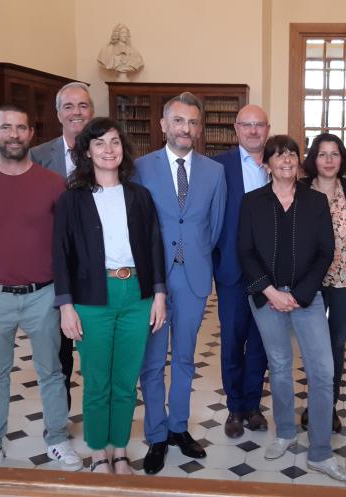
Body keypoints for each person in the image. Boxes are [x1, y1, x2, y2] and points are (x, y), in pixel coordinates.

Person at [0, 105, 82, 470]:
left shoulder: (53, 184)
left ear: (30, 135)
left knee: (52, 372)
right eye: (6, 128)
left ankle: (57, 438)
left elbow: (67, 242)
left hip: (43, 294)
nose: (14, 134)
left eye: (21, 128)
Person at [238, 134, 346, 483]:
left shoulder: (315, 200)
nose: (286, 160)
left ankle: (320, 451)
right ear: (267, 164)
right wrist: (271, 292)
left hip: (308, 297)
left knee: (321, 369)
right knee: (279, 365)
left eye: (291, 154)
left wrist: (301, 295)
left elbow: (325, 251)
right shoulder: (252, 202)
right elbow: (244, 251)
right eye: (278, 155)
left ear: (298, 160)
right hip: (266, 297)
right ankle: (286, 432)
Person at [52, 117, 166, 474]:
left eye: (115, 142)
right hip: (91, 297)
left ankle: (119, 450)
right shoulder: (72, 200)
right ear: (87, 151)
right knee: (98, 379)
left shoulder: (139, 196)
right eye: (99, 143)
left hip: (136, 294)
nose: (108, 150)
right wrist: (66, 306)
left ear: (123, 149)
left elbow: (154, 246)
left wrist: (159, 295)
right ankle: (98, 452)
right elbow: (61, 253)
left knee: (126, 378)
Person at [136, 92, 226, 474]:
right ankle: (156, 435)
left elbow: (215, 227)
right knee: (153, 362)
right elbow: (136, 225)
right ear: (163, 125)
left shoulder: (214, 171)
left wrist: (197, 258)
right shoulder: (140, 167)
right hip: (154, 280)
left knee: (186, 359)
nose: (185, 128)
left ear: (199, 128)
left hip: (193, 279)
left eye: (192, 122)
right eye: (178, 121)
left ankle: (179, 428)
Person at [30, 81, 95, 410]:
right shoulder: (38, 157)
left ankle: (100, 416)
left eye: (82, 105)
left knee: (96, 349)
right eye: (68, 106)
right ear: (58, 114)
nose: (76, 112)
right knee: (57, 350)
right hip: (51, 269)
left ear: (92, 111)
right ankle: (59, 417)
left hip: (96, 268)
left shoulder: (106, 152)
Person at [212, 105, 270, 438]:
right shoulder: (218, 167)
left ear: (267, 128)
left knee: (261, 343)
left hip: (269, 274)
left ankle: (253, 405)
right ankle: (234, 407)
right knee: (233, 341)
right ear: (236, 128)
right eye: (246, 125)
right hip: (232, 272)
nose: (252, 131)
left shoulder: (279, 163)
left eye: (258, 125)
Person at [299, 133, 346, 434]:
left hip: (343, 280)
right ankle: (313, 403)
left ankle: (328, 407)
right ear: (314, 159)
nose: (328, 160)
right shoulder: (299, 190)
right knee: (313, 347)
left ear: (342, 158)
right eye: (322, 154)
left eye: (334, 154)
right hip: (308, 280)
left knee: (336, 345)